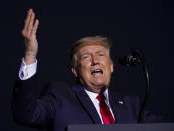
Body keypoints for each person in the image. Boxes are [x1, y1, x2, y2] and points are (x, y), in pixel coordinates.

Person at [11, 9, 168, 131]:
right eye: (86, 57)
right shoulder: (60, 97)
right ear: (75, 71)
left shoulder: (130, 104)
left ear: (111, 66)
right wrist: (30, 55)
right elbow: (25, 114)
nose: (95, 61)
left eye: (101, 55)